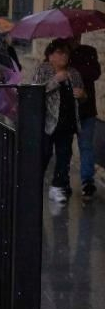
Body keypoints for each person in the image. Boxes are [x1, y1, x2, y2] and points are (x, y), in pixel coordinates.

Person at [29, 39, 86, 203]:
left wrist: (82, 95)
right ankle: (33, 185)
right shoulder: (43, 70)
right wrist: (55, 80)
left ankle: (57, 187)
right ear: (50, 55)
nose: (64, 56)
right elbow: (35, 92)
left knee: (64, 156)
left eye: (66, 53)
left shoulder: (74, 73)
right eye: (60, 53)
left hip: (67, 123)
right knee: (44, 154)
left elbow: (82, 96)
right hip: (48, 122)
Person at [66, 34, 99, 197]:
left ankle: (87, 181)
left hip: (86, 110)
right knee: (64, 147)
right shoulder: (59, 51)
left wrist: (74, 70)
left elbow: (95, 73)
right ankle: (62, 182)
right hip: (66, 111)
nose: (74, 38)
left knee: (86, 146)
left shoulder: (89, 51)